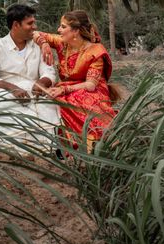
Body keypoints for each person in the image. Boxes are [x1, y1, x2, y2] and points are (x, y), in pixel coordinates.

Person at [33, 10, 117, 151]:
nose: (58, 30)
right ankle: (66, 144)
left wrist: (64, 89)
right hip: (66, 87)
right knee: (52, 100)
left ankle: (97, 140)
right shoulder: (61, 43)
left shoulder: (95, 51)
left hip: (92, 89)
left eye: (63, 26)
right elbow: (35, 33)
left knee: (72, 99)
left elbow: (90, 85)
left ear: (76, 31)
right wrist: (44, 43)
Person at [0, 4, 60, 155]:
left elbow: (49, 72)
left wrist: (42, 83)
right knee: (3, 107)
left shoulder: (38, 46)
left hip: (35, 91)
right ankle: (5, 151)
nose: (34, 27)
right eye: (30, 23)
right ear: (16, 25)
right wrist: (12, 88)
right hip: (5, 92)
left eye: (34, 23)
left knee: (48, 106)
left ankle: (46, 150)